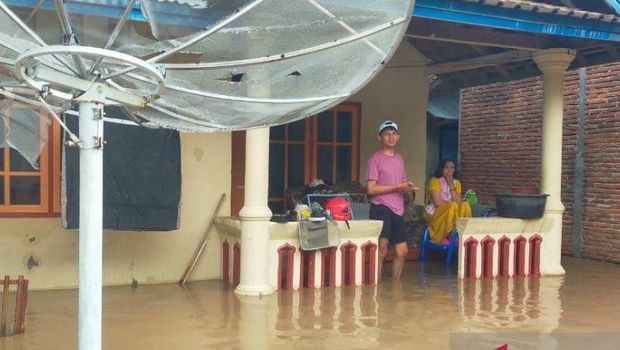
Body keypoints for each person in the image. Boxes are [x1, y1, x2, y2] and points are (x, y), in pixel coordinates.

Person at [366, 120, 418, 280]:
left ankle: (395, 290)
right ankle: (376, 291)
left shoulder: (399, 159)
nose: (390, 137)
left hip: (398, 209)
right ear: (380, 137)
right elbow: (371, 189)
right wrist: (397, 187)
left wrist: (407, 187)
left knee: (402, 252)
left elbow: (402, 182)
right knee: (381, 251)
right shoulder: (375, 159)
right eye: (387, 134)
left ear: (398, 137)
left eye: (393, 133)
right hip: (380, 207)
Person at [424, 159, 472, 243]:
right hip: (435, 211)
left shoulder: (457, 183)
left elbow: (459, 202)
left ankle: (463, 233)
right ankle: (448, 235)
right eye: (447, 168)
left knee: (465, 205)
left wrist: (451, 185)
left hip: (452, 211)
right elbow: (437, 202)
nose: (450, 171)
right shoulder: (435, 181)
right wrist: (452, 205)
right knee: (452, 205)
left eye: (452, 168)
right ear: (441, 169)